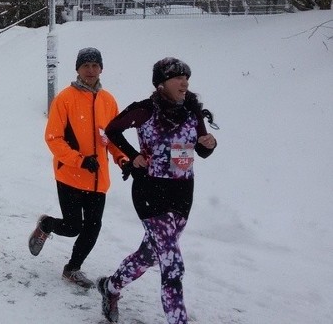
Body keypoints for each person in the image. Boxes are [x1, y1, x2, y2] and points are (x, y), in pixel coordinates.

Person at [97, 57, 218, 324]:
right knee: (173, 264)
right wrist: (132, 156)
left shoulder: (192, 112)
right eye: (177, 77)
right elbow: (112, 130)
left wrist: (210, 143)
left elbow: (201, 148)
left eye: (186, 77)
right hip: (150, 191)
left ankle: (110, 287)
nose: (184, 82)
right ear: (161, 84)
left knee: (150, 254)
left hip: (183, 192)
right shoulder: (145, 110)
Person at [28, 47, 127, 289]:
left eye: (95, 65)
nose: (91, 70)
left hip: (98, 178)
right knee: (73, 227)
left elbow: (113, 138)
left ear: (101, 68)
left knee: (93, 228)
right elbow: (53, 138)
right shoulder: (65, 98)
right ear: (78, 69)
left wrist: (122, 158)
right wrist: (80, 160)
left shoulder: (108, 100)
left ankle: (72, 268)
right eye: (86, 66)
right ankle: (46, 225)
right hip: (70, 175)